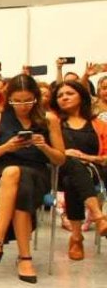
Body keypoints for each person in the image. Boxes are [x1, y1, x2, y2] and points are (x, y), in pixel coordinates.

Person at [0, 75, 66, 283]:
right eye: (17, 101)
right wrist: (7, 146)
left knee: (17, 177)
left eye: (28, 100)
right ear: (8, 98)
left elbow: (60, 159)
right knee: (13, 174)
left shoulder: (49, 119)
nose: (22, 106)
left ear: (36, 98)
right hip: (2, 177)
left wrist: (44, 146)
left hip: (37, 174)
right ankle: (25, 258)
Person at [50, 81, 107, 259]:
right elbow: (44, 151)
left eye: (69, 93)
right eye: (60, 95)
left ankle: (76, 237)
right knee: (71, 166)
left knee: (73, 177)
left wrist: (86, 157)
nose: (64, 97)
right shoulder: (53, 123)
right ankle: (98, 217)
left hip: (95, 172)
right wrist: (63, 152)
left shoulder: (99, 125)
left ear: (81, 96)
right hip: (59, 171)